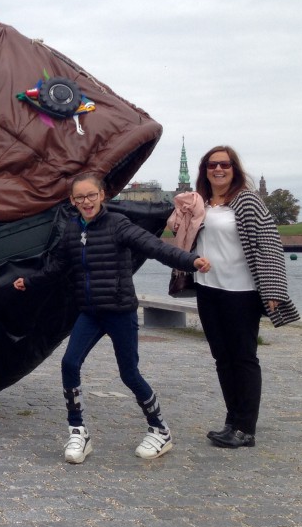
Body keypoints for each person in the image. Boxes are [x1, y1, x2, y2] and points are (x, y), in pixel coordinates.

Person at [13, 173, 210, 463]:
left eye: (91, 195)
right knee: (69, 363)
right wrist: (28, 282)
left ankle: (160, 429)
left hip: (120, 311)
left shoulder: (118, 225)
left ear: (102, 195)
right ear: (72, 201)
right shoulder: (70, 231)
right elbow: (56, 268)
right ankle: (78, 431)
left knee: (129, 374)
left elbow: (154, 247)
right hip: (90, 313)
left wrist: (190, 261)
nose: (86, 201)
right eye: (79, 197)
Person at [173, 145, 299, 449]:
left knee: (243, 358)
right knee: (222, 358)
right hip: (208, 288)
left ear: (234, 169)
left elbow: (269, 245)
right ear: (205, 170)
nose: (219, 169)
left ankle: (246, 428)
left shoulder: (247, 201)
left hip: (241, 292)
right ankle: (232, 420)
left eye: (225, 165)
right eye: (213, 165)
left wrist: (273, 291)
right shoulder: (200, 204)